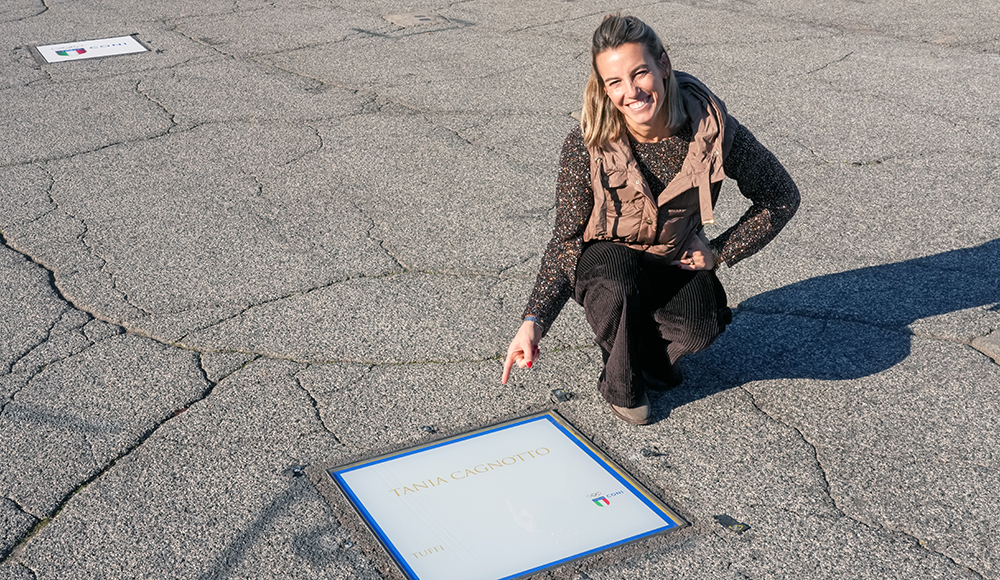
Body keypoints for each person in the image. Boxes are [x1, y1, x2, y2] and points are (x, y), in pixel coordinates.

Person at [500, 14, 800, 425]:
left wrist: (718, 251)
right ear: (603, 88)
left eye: (639, 73)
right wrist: (533, 320)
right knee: (618, 285)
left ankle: (640, 351)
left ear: (663, 64)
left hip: (670, 255)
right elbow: (566, 241)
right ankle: (619, 383)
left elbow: (781, 197)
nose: (631, 92)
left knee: (701, 325)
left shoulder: (712, 129)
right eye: (614, 82)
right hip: (606, 260)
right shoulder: (586, 143)